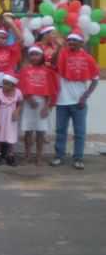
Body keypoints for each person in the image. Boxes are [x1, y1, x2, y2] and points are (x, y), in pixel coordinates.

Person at [51, 29, 99, 170]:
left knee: (79, 132)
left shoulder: (88, 58)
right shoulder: (63, 54)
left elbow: (95, 79)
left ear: (81, 42)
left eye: (74, 40)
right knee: (60, 131)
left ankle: (78, 158)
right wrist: (59, 47)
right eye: (69, 40)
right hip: (62, 101)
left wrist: (85, 96)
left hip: (79, 103)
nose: (71, 42)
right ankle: (59, 156)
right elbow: (53, 63)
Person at [19, 46, 59, 166]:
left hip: (42, 104)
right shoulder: (25, 70)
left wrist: (47, 106)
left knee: (40, 132)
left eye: (37, 54)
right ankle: (27, 155)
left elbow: (51, 89)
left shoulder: (48, 71)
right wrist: (29, 98)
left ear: (42, 56)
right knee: (28, 131)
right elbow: (21, 86)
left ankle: (39, 156)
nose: (34, 57)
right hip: (28, 103)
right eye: (32, 54)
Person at [0, 72, 23, 166]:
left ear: (13, 85)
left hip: (11, 119)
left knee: (11, 137)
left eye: (6, 83)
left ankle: (11, 155)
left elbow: (20, 103)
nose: (4, 85)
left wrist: (17, 111)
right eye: (3, 83)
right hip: (1, 117)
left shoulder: (18, 92)